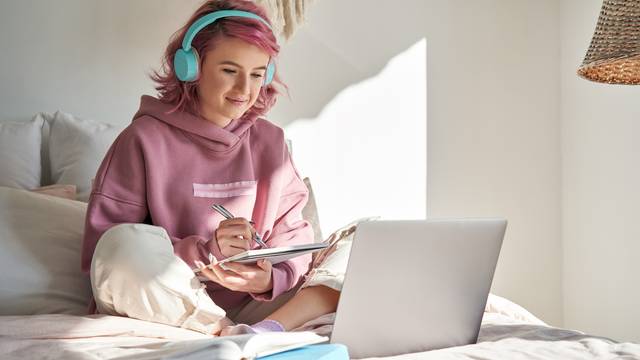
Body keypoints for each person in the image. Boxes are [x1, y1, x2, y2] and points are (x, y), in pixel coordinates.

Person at [81, 0, 342, 336]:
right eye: (230, 70)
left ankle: (265, 332)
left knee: (358, 240)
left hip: (255, 305)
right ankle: (225, 333)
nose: (245, 90)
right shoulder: (142, 139)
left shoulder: (271, 142)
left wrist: (269, 278)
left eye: (257, 74)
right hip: (169, 302)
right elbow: (104, 254)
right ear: (191, 67)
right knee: (121, 246)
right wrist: (207, 252)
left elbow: (294, 234)